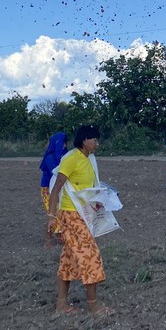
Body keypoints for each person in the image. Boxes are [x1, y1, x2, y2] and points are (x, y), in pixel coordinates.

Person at [47, 124, 114, 316]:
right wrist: (51, 216)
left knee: (69, 259)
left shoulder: (90, 159)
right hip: (70, 214)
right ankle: (93, 306)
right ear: (84, 140)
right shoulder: (71, 159)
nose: (97, 144)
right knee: (90, 255)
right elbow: (57, 188)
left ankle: (61, 304)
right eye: (94, 140)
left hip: (84, 213)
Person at [39, 131, 68, 240]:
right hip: (48, 189)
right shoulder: (50, 158)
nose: (64, 145)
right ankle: (48, 240)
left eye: (65, 143)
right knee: (52, 213)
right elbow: (56, 173)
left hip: (59, 188)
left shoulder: (64, 155)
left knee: (61, 213)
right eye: (62, 143)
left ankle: (61, 237)